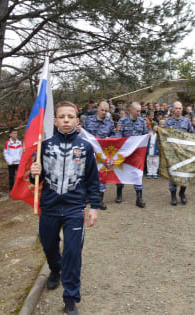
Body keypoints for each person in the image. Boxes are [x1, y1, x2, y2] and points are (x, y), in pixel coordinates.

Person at [30, 101, 100, 315]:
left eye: (70, 116)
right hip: (49, 207)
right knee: (49, 245)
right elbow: (36, 182)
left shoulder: (85, 148)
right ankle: (54, 269)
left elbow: (92, 180)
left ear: (77, 121)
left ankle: (70, 297)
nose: (66, 120)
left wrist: (94, 206)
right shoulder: (45, 146)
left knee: (72, 252)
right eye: (62, 117)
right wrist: (35, 171)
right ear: (55, 120)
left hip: (73, 208)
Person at [114, 102, 148, 208]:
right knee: (120, 172)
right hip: (124, 152)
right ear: (130, 110)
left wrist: (149, 134)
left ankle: (139, 197)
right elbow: (118, 135)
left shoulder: (142, 121)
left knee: (137, 174)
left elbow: (145, 133)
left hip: (137, 153)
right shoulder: (122, 121)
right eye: (137, 111)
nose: (139, 113)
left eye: (140, 110)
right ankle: (119, 193)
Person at [83, 101, 115, 210]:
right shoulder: (88, 120)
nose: (104, 112)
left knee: (102, 176)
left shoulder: (110, 122)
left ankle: (99, 199)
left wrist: (109, 139)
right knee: (87, 174)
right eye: (102, 110)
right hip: (89, 152)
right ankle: (87, 196)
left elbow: (114, 135)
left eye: (106, 111)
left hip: (103, 153)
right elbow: (83, 134)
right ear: (97, 108)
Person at [165, 101, 193, 206]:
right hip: (172, 153)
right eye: (176, 108)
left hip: (184, 153)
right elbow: (165, 137)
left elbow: (192, 135)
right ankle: (173, 195)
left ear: (182, 109)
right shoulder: (168, 122)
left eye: (180, 108)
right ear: (172, 110)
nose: (178, 110)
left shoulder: (187, 121)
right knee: (173, 174)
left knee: (184, 174)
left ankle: (182, 193)